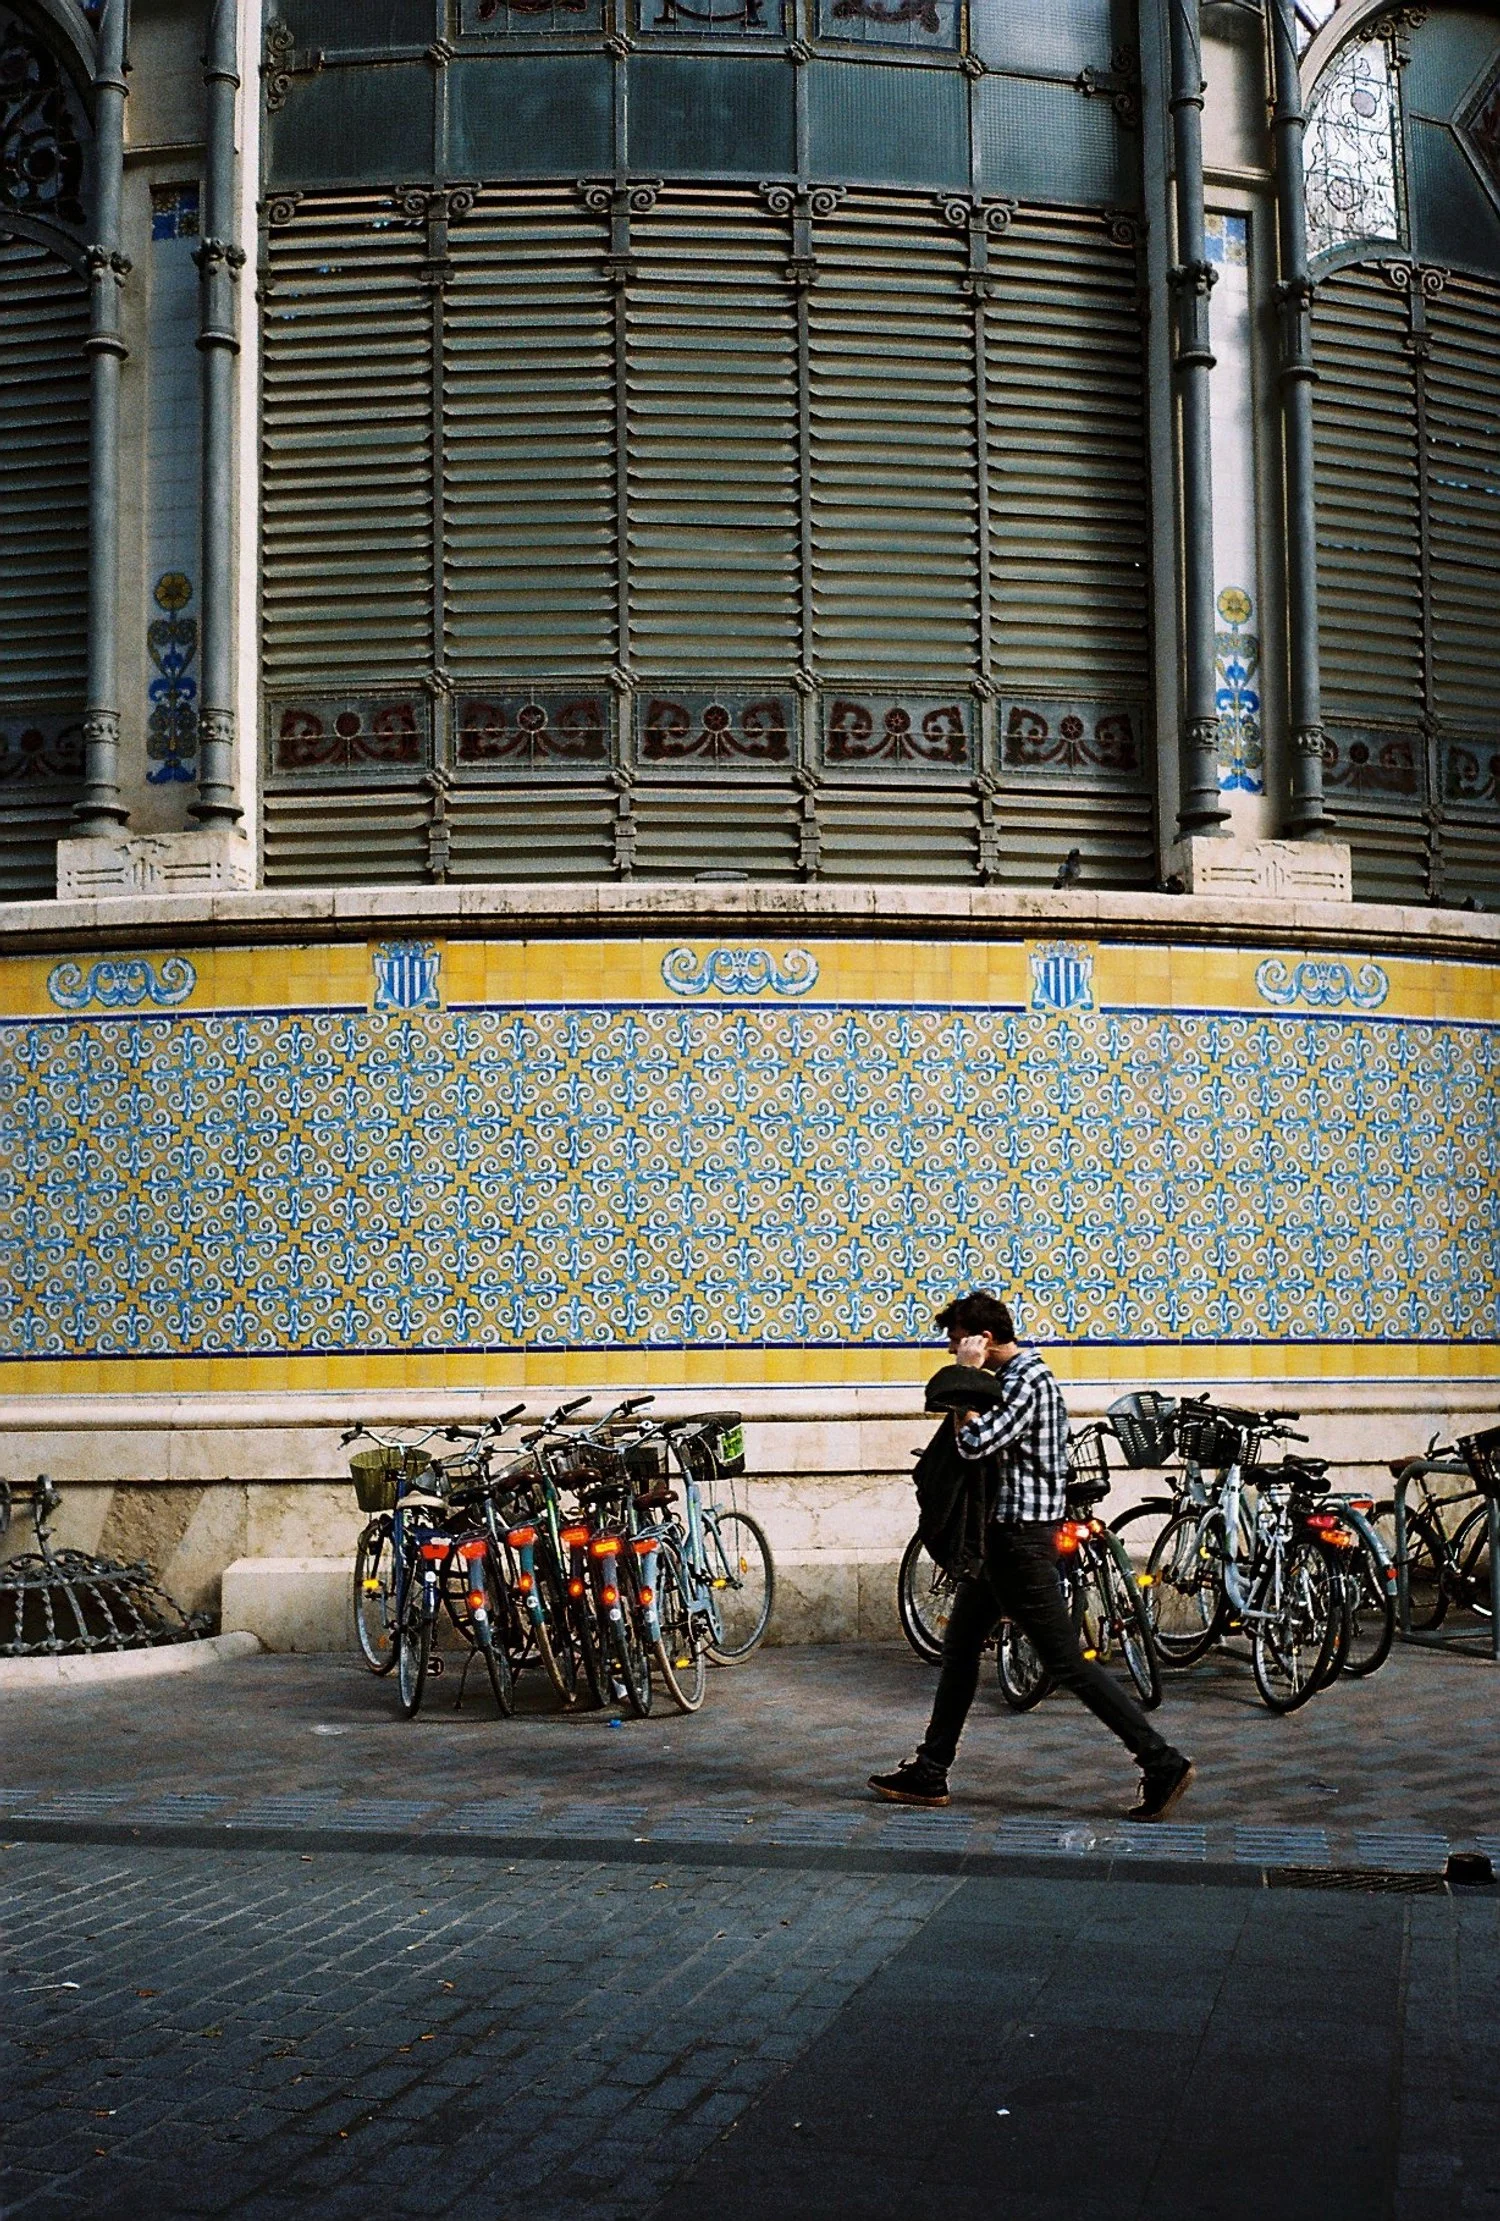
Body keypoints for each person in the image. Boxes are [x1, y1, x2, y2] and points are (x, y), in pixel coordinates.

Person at [869, 1290, 1195, 1821]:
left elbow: (973, 1444)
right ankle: (931, 1769)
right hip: (1002, 1540)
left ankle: (1160, 1761)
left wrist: (966, 1384)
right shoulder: (1013, 1381)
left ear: (984, 1339)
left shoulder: (1026, 1382)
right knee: (959, 1650)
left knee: (1066, 1661)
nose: (954, 1353)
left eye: (958, 1343)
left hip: (1020, 1541)